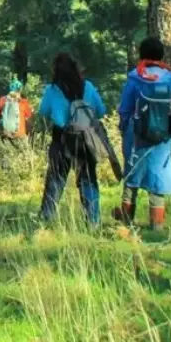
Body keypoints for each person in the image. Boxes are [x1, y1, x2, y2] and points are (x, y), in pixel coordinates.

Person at [114, 37, 171, 231]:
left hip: (137, 136)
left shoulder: (134, 77)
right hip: (164, 137)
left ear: (142, 54)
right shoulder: (169, 78)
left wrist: (125, 129)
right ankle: (156, 226)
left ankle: (126, 223)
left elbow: (125, 108)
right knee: (158, 182)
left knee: (132, 180)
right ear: (161, 55)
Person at [38, 53, 107, 225]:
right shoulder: (88, 87)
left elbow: (43, 111)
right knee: (88, 179)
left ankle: (46, 218)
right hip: (85, 139)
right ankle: (93, 220)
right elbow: (101, 110)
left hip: (61, 138)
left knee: (55, 179)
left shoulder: (52, 90)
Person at [0, 78, 33, 143]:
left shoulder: (2, 100)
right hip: (19, 134)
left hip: (5, 133)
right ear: (20, 90)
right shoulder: (23, 102)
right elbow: (28, 115)